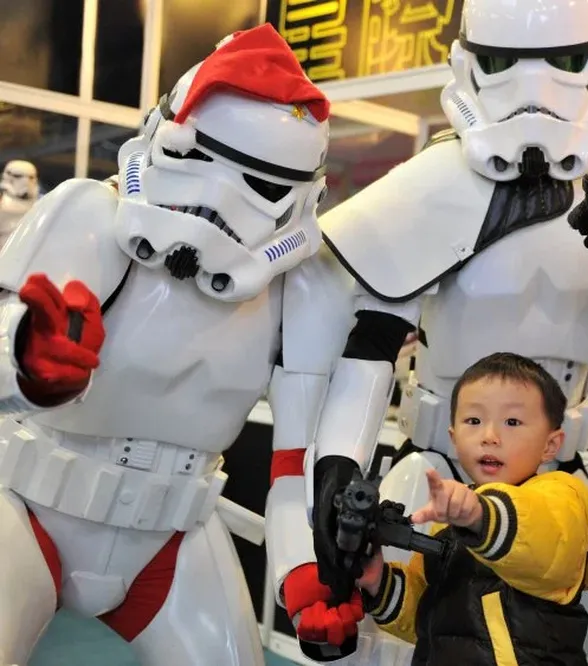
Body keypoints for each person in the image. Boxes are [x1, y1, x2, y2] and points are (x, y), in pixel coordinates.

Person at [294, 0, 588, 662]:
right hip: (437, 470)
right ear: (468, 66)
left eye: (565, 63)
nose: (534, 92)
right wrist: (339, 464)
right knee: (400, 640)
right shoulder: (435, 178)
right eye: (501, 64)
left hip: (556, 477)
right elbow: (373, 343)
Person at [0, 25, 359, 666]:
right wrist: (29, 361)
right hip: (31, 508)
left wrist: (303, 575)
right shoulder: (88, 218)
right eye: (194, 160)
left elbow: (292, 466)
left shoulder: (298, 290)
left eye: (260, 184)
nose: (214, 200)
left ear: (303, 197)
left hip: (170, 534)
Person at [357, 352, 588, 665]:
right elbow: (431, 620)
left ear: (551, 444)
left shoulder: (562, 497)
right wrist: (379, 583)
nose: (490, 437)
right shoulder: (452, 525)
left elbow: (546, 545)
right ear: (454, 438)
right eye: (473, 421)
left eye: (513, 422)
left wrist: (480, 515)